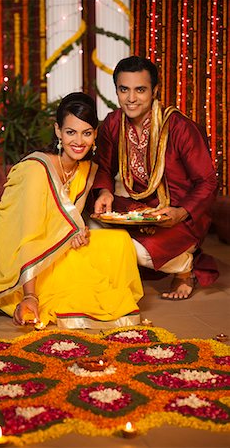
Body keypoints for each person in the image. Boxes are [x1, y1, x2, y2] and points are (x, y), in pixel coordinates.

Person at [0, 92, 143, 329]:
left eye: (86, 133)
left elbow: (70, 217)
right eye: (71, 132)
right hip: (37, 256)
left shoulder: (86, 169)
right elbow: (28, 235)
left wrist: (79, 229)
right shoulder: (36, 170)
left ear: (95, 135)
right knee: (86, 286)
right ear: (58, 131)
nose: (79, 141)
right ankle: (15, 294)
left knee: (119, 241)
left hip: (62, 246)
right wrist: (31, 296)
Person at [92, 56, 218, 300]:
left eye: (140, 90)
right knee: (86, 220)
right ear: (116, 90)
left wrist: (181, 212)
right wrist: (105, 192)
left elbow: (208, 182)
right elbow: (103, 168)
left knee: (135, 251)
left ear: (155, 90)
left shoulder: (179, 127)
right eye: (124, 89)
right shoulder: (114, 123)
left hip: (179, 218)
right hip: (139, 211)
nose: (131, 98)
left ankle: (185, 268)